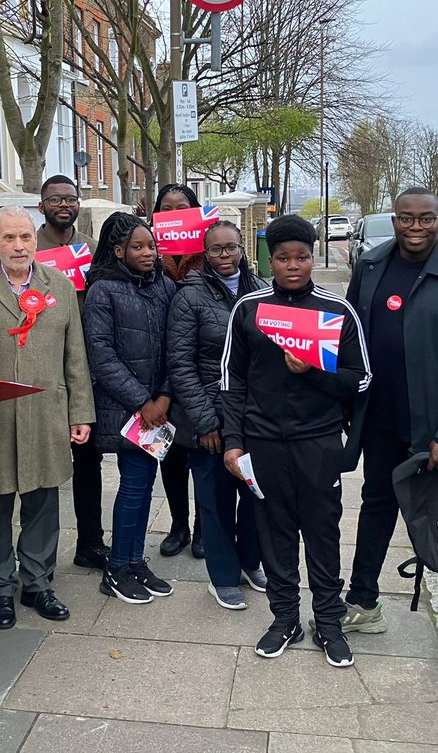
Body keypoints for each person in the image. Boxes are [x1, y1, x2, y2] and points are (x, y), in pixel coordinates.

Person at [340, 187, 438, 673]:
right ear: (394, 219)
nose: (415, 227)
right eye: (406, 218)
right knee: (376, 507)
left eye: (425, 219)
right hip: (381, 420)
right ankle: (363, 603)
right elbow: (349, 336)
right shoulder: (371, 265)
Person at [220, 215, 370, 668]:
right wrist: (233, 442)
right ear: (271, 259)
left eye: (301, 257)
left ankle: (328, 622)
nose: (292, 266)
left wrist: (314, 371)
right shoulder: (248, 309)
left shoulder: (336, 310)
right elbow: (232, 382)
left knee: (323, 533)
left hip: (318, 443)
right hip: (263, 443)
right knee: (274, 533)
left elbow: (361, 379)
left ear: (312, 258)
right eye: (283, 258)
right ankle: (285, 618)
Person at [0, 206, 95, 629]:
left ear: (35, 240)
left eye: (25, 237)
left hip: (46, 410)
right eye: (9, 238)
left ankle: (37, 583)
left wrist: (80, 412)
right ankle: (1, 588)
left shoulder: (61, 285)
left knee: (42, 501)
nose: (18, 246)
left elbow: (75, 355)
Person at [167, 220, 269, 610]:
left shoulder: (262, 291)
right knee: (216, 501)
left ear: (243, 248)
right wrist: (206, 421)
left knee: (256, 496)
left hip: (253, 417)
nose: (224, 255)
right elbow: (181, 365)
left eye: (231, 247)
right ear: (204, 253)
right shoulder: (189, 296)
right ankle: (223, 577)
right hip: (208, 417)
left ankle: (250, 563)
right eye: (216, 249)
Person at [83, 212, 177, 604]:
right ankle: (117, 568)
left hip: (159, 408)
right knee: (134, 486)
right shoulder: (102, 291)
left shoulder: (165, 286)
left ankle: (135, 561)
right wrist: (142, 402)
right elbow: (101, 355)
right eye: (137, 247)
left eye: (151, 245)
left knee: (144, 485)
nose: (148, 253)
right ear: (118, 250)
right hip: (126, 409)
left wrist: (164, 397)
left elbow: (177, 346)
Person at [36, 174, 108, 571]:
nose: (64, 205)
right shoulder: (29, 248)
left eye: (70, 198)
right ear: (41, 205)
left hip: (84, 366)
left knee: (88, 460)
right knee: (43, 462)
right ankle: (37, 554)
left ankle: (90, 542)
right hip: (42, 364)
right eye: (55, 199)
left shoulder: (91, 249)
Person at [152, 182, 206, 558]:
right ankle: (178, 525)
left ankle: (204, 527)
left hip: (199, 369)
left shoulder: (209, 249)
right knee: (169, 454)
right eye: (166, 208)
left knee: (202, 452)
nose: (174, 214)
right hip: (159, 368)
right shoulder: (148, 251)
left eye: (181, 207)